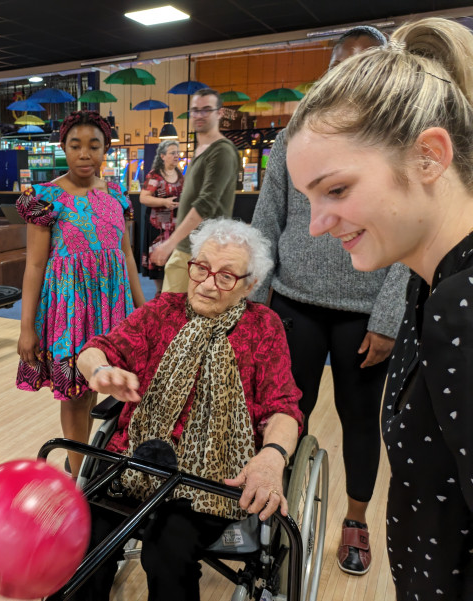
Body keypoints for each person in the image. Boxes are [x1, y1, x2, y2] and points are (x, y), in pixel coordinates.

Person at [286, 17, 473, 599]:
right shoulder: (430, 285)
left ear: (428, 157)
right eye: (310, 199)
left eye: (336, 190)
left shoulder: (459, 309)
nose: (316, 226)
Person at [250, 25, 410, 576]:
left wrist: (390, 316)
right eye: (342, 66)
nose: (352, 76)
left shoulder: (397, 140)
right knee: (279, 411)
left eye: (366, 66)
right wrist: (250, 299)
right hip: (295, 300)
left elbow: (410, 233)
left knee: (360, 418)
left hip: (366, 311)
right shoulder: (295, 133)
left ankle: (357, 520)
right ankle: (271, 514)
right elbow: (268, 219)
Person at [73, 218, 302, 601]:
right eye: (201, 268)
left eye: (226, 276)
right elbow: (97, 348)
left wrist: (272, 457)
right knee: (84, 541)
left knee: (167, 552)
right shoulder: (162, 310)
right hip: (135, 463)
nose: (208, 283)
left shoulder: (263, 326)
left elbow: (283, 408)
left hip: (211, 482)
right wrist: (100, 370)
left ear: (250, 285)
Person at [16, 110, 145, 479]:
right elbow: (35, 266)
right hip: (69, 307)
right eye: (76, 145)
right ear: (63, 148)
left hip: (110, 305)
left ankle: (99, 467)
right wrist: (27, 328)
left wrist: (141, 308)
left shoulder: (117, 194)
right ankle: (78, 477)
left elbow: (126, 255)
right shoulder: (44, 198)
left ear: (106, 150)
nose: (85, 154)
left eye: (94, 145)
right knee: (74, 392)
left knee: (102, 386)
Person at [149, 88, 240, 293]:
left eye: (206, 109)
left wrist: (169, 243)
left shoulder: (222, 151)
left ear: (219, 113)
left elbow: (205, 204)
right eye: (195, 110)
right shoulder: (200, 151)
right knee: (175, 313)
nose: (199, 115)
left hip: (203, 253)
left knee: (177, 313)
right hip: (189, 248)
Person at [139, 139, 183, 297]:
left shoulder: (179, 174)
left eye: (178, 153)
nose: (176, 155)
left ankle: (169, 292)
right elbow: (144, 198)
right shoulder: (154, 176)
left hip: (175, 226)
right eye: (173, 153)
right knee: (158, 264)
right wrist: (164, 202)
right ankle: (159, 293)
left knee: (174, 261)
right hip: (157, 226)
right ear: (163, 156)